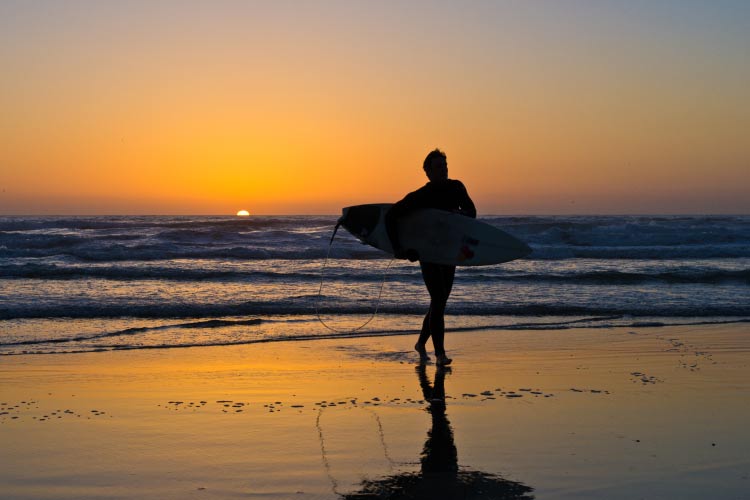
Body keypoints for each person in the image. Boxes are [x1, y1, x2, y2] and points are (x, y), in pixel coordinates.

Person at [385, 149, 476, 366]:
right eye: (438, 167)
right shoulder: (421, 196)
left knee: (440, 302)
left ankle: (420, 344)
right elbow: (391, 216)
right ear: (427, 172)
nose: (443, 170)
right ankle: (440, 354)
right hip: (429, 252)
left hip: (449, 251)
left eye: (445, 166)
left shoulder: (457, 187)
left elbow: (472, 212)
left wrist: (460, 214)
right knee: (438, 299)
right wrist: (398, 248)